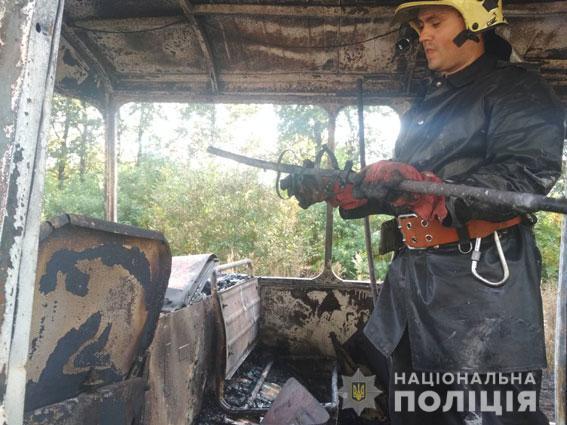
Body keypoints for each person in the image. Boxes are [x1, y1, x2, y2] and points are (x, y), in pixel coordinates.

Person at [300, 1, 565, 423]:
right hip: (414, 277)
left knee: (487, 410)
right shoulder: (428, 104)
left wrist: (434, 195)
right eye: (420, 25)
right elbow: (404, 188)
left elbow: (525, 177)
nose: (423, 35)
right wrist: (348, 191)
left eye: (435, 23)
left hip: (482, 286)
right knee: (363, 386)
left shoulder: (518, 90)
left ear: (476, 25)